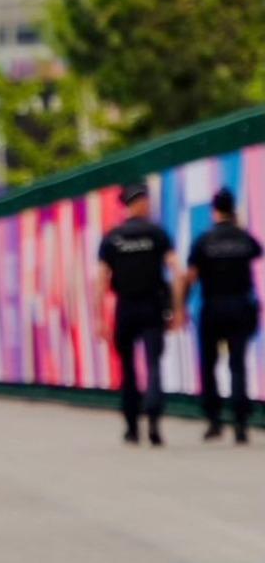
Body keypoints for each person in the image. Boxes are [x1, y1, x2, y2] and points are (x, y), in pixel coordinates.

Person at [96, 181, 181, 446]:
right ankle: (154, 420)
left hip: (126, 307)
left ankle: (132, 427)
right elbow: (176, 272)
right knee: (154, 364)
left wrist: (100, 317)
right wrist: (178, 308)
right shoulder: (157, 233)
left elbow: (100, 280)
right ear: (143, 202)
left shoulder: (112, 238)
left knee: (129, 369)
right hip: (152, 306)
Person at [180, 186, 262, 444]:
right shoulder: (243, 237)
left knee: (210, 364)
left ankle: (214, 420)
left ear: (214, 209)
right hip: (240, 305)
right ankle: (240, 423)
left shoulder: (204, 241)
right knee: (237, 364)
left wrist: (180, 305)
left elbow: (190, 277)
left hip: (212, 307)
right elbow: (256, 251)